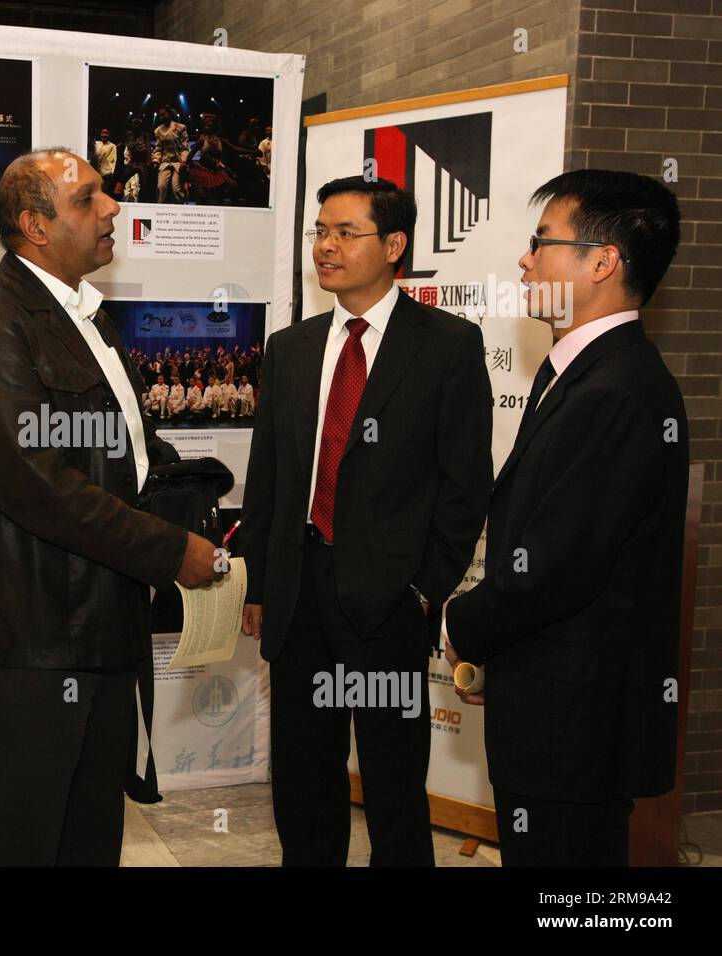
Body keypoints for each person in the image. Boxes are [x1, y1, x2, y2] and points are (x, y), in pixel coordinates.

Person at [0, 147, 220, 866]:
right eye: (88, 199)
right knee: (27, 839)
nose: (112, 209)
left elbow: (125, 455)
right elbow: (40, 486)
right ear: (34, 225)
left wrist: (194, 501)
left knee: (90, 835)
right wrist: (167, 550)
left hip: (104, 624)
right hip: (40, 636)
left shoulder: (86, 321)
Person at [240, 175, 493, 866]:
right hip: (298, 594)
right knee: (301, 776)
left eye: (344, 232)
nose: (325, 246)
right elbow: (269, 479)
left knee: (391, 782)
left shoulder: (446, 346)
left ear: (394, 244)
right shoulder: (292, 348)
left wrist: (424, 592)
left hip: (389, 605)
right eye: (320, 231)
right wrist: (258, 583)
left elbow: (465, 486)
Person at [443, 170, 687, 867]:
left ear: (602, 261)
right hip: (550, 706)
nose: (525, 259)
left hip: (576, 724)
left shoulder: (618, 389)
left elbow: (556, 567)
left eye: (542, 242)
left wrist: (461, 625)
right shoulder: (581, 372)